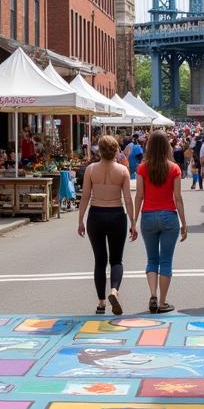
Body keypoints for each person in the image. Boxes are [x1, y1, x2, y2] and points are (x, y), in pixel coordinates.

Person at [77, 134, 137, 316]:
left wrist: (80, 219)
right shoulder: (122, 171)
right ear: (116, 151)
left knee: (100, 261)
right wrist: (133, 222)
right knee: (116, 259)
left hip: (96, 214)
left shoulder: (91, 170)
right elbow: (127, 198)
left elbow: (85, 196)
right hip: (116, 214)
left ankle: (101, 302)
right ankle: (114, 291)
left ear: (99, 151)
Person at [134, 129, 187, 313]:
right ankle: (163, 301)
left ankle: (153, 295)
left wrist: (133, 221)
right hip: (169, 216)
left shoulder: (142, 168)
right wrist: (184, 223)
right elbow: (178, 198)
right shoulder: (174, 168)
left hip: (148, 216)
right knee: (166, 261)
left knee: (151, 259)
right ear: (167, 147)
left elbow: (139, 196)